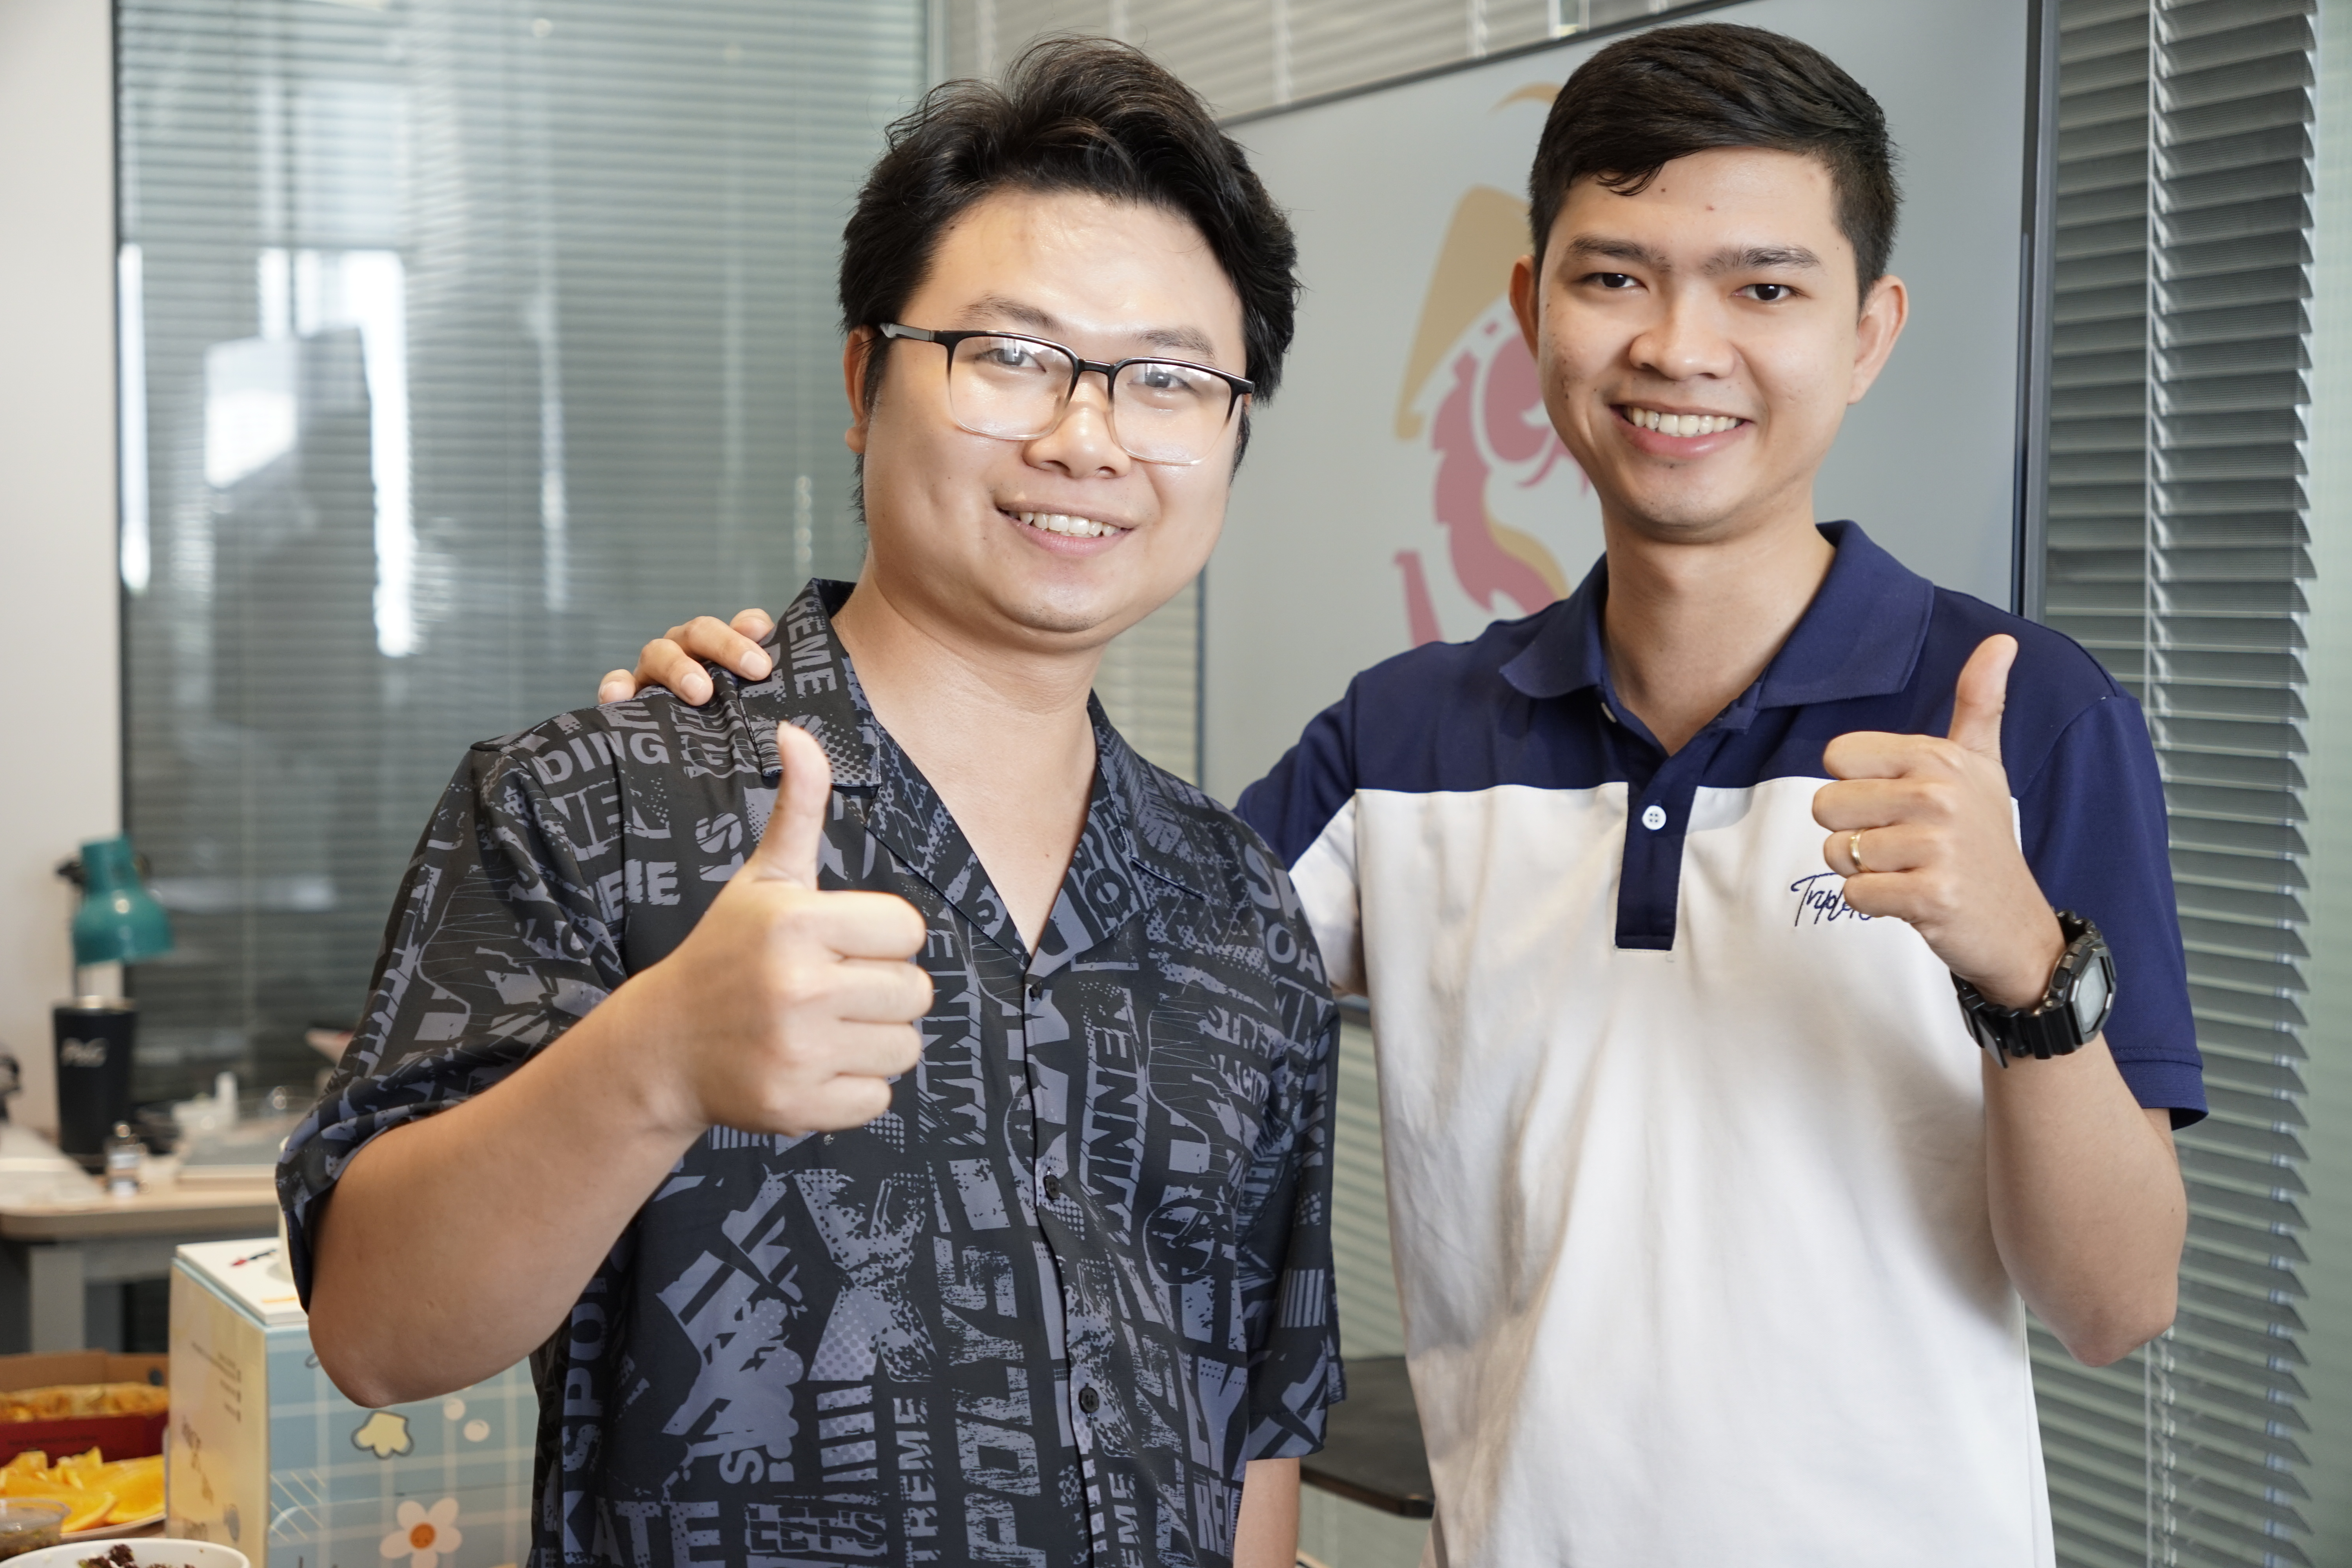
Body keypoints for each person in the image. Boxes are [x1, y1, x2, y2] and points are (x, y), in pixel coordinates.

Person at [614, 23, 2203, 1568]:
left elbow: (2115, 1303)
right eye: (1615, 278)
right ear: (1530, 311)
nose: (1680, 346)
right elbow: (1057, 969)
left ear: (1868, 332)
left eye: (1766, 288)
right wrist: (792, 709)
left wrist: (2025, 964)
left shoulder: (2022, 718)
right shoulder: (1404, 738)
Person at [278, 39, 1342, 1568]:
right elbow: (375, 1327)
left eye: (1169, 379)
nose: (1086, 437)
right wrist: (656, 1060)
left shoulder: (1235, 900)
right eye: (1012, 355)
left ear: (1232, 431)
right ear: (864, 381)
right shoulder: (601, 802)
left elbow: (1253, 1427)